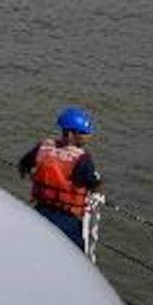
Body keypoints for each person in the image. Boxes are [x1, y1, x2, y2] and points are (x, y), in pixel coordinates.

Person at [19, 107, 103, 250]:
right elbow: (94, 184)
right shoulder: (81, 159)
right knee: (77, 256)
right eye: (83, 134)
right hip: (67, 219)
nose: (87, 137)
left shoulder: (43, 148)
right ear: (71, 134)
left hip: (40, 211)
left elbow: (24, 165)